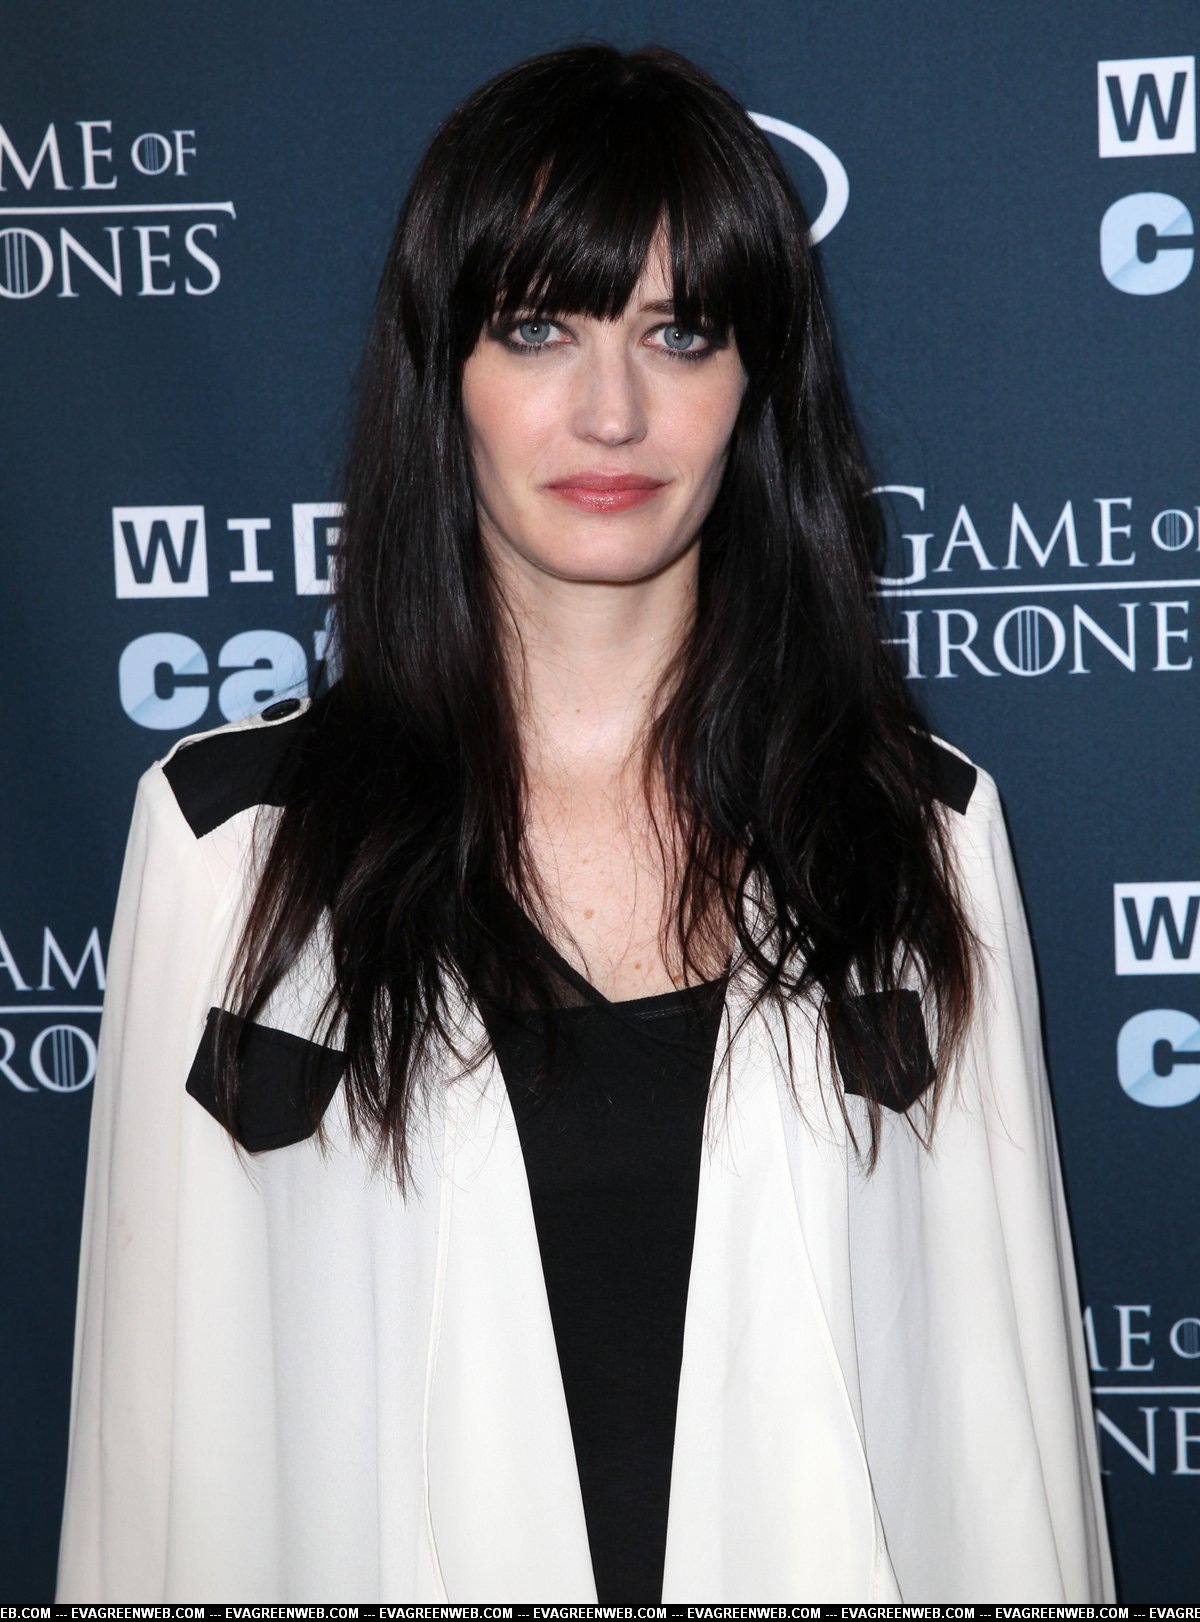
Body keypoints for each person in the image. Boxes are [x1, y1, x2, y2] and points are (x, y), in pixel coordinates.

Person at [56, 43, 1113, 1604]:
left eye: (679, 333)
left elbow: (1009, 1431)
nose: (612, 410)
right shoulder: (228, 849)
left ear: (754, 385)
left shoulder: (922, 836)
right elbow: (150, 1448)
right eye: (539, 326)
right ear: (444, 372)